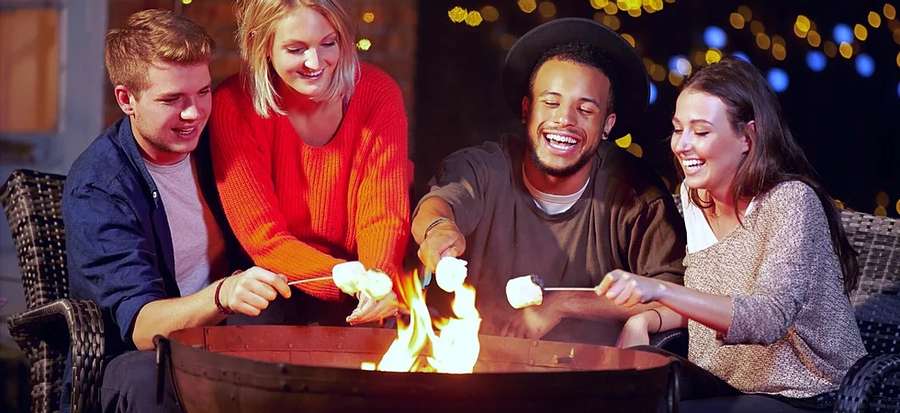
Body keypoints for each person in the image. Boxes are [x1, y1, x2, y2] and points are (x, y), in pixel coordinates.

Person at [596, 57, 866, 412]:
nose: (681, 145)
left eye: (701, 131)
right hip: (725, 385)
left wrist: (658, 288)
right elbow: (706, 302)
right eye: (678, 129)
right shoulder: (694, 197)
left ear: (747, 138)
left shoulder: (791, 201)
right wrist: (645, 318)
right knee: (621, 391)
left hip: (808, 394)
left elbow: (766, 318)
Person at [63, 9, 297, 413]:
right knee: (148, 379)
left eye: (203, 92)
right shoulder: (99, 185)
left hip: (222, 338)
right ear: (127, 99)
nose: (194, 114)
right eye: (172, 100)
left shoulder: (217, 142)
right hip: (136, 357)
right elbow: (141, 327)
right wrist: (224, 294)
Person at [412, 18, 686, 344]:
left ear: (607, 124)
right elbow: (439, 203)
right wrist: (438, 230)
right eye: (551, 102)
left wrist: (563, 304)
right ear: (527, 108)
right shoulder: (486, 167)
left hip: (592, 383)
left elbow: (674, 297)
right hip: (476, 370)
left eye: (585, 109)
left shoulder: (638, 196)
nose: (565, 120)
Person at [209, 0, 409, 325]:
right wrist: (341, 278)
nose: (315, 62)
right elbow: (264, 237)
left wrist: (377, 281)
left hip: (361, 281)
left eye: (328, 43)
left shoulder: (378, 93)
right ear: (262, 45)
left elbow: (383, 215)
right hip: (274, 285)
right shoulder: (233, 105)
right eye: (295, 49)